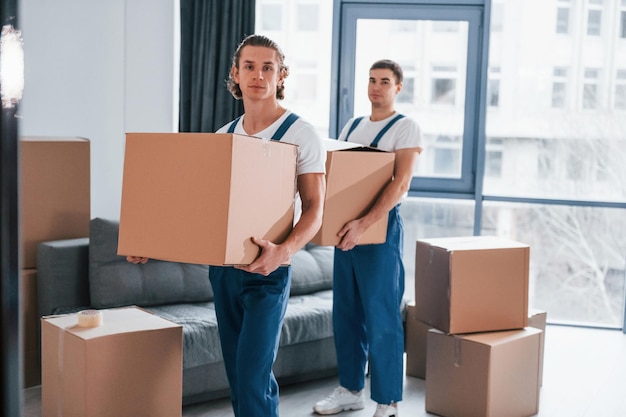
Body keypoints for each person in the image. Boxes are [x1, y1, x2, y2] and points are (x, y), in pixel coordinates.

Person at [128, 34, 326, 417]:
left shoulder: (301, 134)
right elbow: (201, 211)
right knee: (238, 375)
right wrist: (151, 241)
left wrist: (282, 252)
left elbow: (316, 208)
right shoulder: (224, 137)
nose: (258, 75)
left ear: (281, 75)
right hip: (223, 273)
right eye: (249, 66)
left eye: (268, 67)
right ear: (235, 73)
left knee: (253, 377)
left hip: (268, 272)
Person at [312, 60, 423, 417]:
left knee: (381, 314)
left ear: (398, 88)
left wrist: (365, 224)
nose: (376, 87)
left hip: (380, 231)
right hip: (346, 230)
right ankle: (350, 389)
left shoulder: (405, 128)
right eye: (372, 80)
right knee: (345, 312)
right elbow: (339, 177)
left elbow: (400, 184)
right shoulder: (353, 126)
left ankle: (387, 400)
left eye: (385, 81)